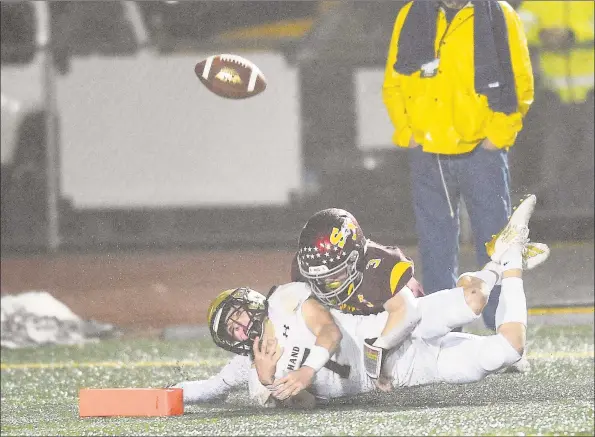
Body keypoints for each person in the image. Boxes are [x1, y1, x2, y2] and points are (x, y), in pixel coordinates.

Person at [177, 195, 550, 406]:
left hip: (389, 329)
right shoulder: (248, 370)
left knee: (471, 302)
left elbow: (329, 333)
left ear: (252, 301)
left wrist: (311, 368)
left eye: (238, 315)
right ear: (231, 341)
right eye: (233, 329)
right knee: (507, 351)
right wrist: (266, 378)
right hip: (406, 374)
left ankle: (502, 263)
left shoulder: (285, 298)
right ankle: (508, 260)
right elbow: (291, 405)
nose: (241, 326)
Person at [381, 0, 535, 346]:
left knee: (497, 248)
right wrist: (409, 133)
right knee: (435, 248)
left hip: (482, 151)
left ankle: (505, 334)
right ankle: (443, 336)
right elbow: (394, 80)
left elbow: (521, 81)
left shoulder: (499, 14)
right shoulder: (412, 13)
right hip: (429, 153)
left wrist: (497, 139)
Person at [517, 1, 594, 212]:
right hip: (553, 95)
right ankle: (558, 216)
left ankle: (585, 218)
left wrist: (571, 34)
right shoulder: (538, 3)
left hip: (590, 93)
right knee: (552, 160)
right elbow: (517, 27)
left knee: (588, 156)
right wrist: (542, 35)